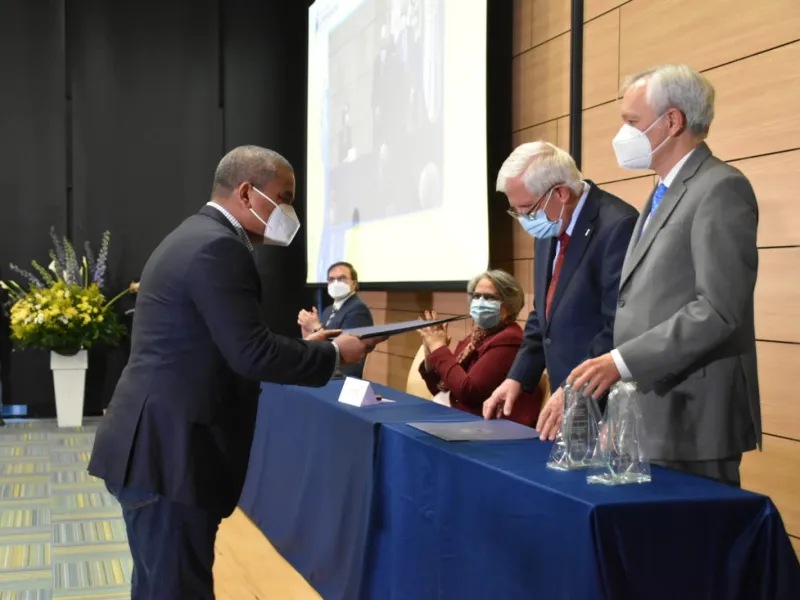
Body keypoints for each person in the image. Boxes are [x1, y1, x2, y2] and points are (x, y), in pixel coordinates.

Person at [88, 146, 377, 599]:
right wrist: (335, 354)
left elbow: (227, 343)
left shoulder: (196, 235)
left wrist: (309, 348)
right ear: (246, 193)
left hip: (156, 448)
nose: (290, 213)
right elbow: (252, 353)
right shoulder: (218, 247)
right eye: (284, 198)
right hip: (170, 454)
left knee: (161, 586)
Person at [567, 64, 761, 487]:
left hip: (693, 420)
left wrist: (621, 363)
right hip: (650, 413)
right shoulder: (663, 191)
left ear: (672, 121)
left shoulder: (720, 188)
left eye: (632, 121)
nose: (623, 135)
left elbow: (718, 309)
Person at [482, 142, 638, 438]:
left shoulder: (618, 225)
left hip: (605, 407)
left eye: (526, 209)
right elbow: (543, 316)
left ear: (561, 193)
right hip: (564, 404)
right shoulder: (550, 225)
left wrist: (573, 388)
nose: (524, 220)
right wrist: (517, 378)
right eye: (516, 211)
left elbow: (618, 326)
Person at [418, 270, 543, 426]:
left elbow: (468, 393)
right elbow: (443, 389)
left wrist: (439, 348)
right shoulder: (476, 337)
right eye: (476, 296)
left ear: (508, 306)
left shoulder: (510, 339)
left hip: (492, 427)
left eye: (489, 298)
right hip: (461, 419)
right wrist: (430, 354)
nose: (480, 302)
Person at [298, 261, 374, 378]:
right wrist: (308, 334)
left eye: (342, 278)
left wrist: (316, 328)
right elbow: (321, 347)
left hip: (342, 378)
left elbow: (346, 352)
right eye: (331, 279)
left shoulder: (358, 309)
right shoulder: (328, 310)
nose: (336, 283)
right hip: (324, 373)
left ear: (354, 284)